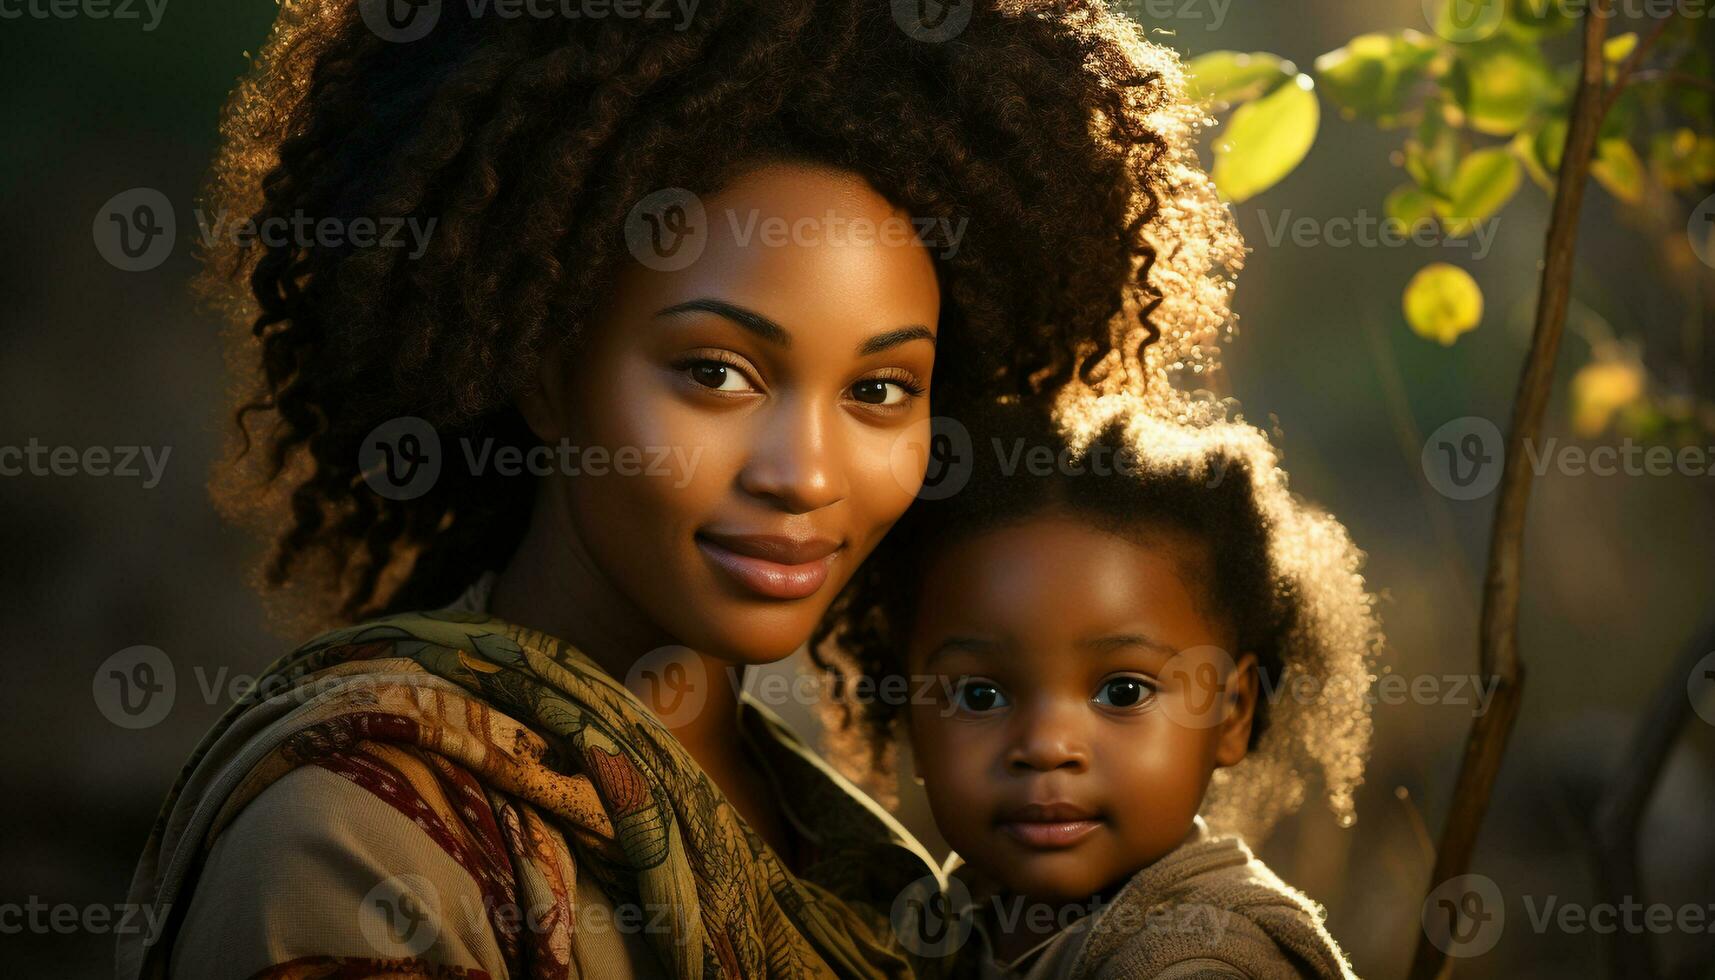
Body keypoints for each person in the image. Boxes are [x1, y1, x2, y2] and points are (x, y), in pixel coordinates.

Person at [117, 2, 1245, 977]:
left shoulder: (874, 868)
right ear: (548, 371)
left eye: (881, 389)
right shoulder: (360, 835)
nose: (802, 472)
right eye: (716, 372)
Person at [813, 398, 1384, 978]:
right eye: (980, 696)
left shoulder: (1205, 954)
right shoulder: (953, 922)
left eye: (1123, 692)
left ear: (1232, 711)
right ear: (909, 712)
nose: (1047, 745)